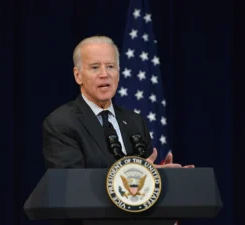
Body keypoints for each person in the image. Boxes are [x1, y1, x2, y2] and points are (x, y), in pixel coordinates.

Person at [42, 35, 194, 169]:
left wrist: (160, 176)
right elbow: (71, 184)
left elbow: (146, 179)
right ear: (78, 76)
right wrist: (138, 173)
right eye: (95, 67)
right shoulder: (61, 123)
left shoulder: (135, 122)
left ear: (118, 72)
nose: (105, 74)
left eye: (110, 66)